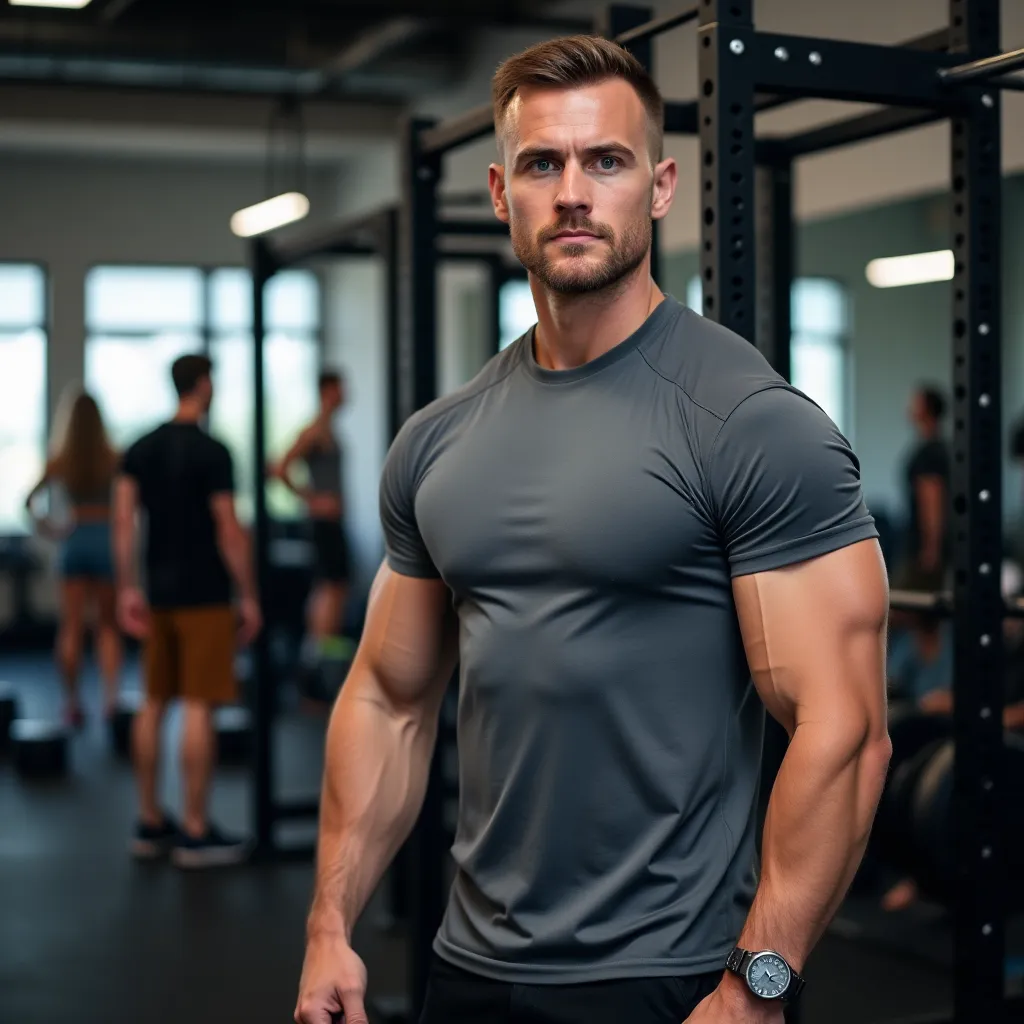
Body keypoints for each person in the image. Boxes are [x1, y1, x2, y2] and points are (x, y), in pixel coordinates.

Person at [296, 36, 891, 1024]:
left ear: (659, 187)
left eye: (605, 161)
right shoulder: (437, 441)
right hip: (469, 970)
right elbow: (389, 699)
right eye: (543, 163)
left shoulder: (748, 423)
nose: (572, 193)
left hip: (674, 979)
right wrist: (329, 926)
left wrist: (757, 987)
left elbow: (846, 730)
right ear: (501, 193)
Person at [114, 354, 261, 868]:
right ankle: (195, 831)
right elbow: (228, 529)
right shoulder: (212, 451)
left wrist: (127, 588)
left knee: (153, 701)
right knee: (199, 704)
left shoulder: (140, 448)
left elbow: (124, 523)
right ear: (203, 385)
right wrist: (249, 594)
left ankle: (150, 821)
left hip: (157, 592)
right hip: (204, 593)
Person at [25, 387, 122, 727]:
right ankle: (110, 701)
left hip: (75, 537)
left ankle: (72, 702)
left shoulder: (60, 459)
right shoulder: (113, 457)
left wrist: (51, 528)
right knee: (107, 627)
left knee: (71, 627)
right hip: (104, 537)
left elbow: (29, 501)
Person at [270, 370, 353, 688]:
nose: (344, 394)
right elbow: (280, 467)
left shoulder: (329, 429)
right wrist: (314, 501)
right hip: (322, 523)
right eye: (339, 388)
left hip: (333, 523)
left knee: (334, 587)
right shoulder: (314, 431)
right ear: (326, 391)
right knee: (329, 588)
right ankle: (317, 666)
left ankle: (321, 663)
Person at [895, 385, 950, 593]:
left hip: (921, 547)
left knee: (903, 602)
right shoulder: (931, 448)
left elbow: (932, 500)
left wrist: (931, 548)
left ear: (927, 409)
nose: (909, 407)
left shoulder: (930, 452)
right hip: (919, 543)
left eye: (915, 402)